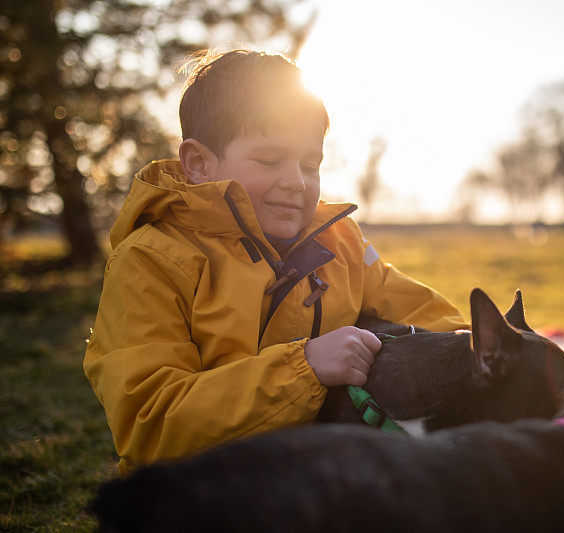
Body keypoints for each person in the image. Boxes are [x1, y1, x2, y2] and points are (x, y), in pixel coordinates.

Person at [83, 49, 467, 475]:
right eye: (269, 160)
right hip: (198, 498)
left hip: (317, 478)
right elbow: (149, 423)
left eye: (310, 164)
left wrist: (490, 346)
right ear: (198, 164)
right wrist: (305, 368)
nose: (297, 182)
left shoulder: (341, 242)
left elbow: (426, 315)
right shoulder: (149, 261)